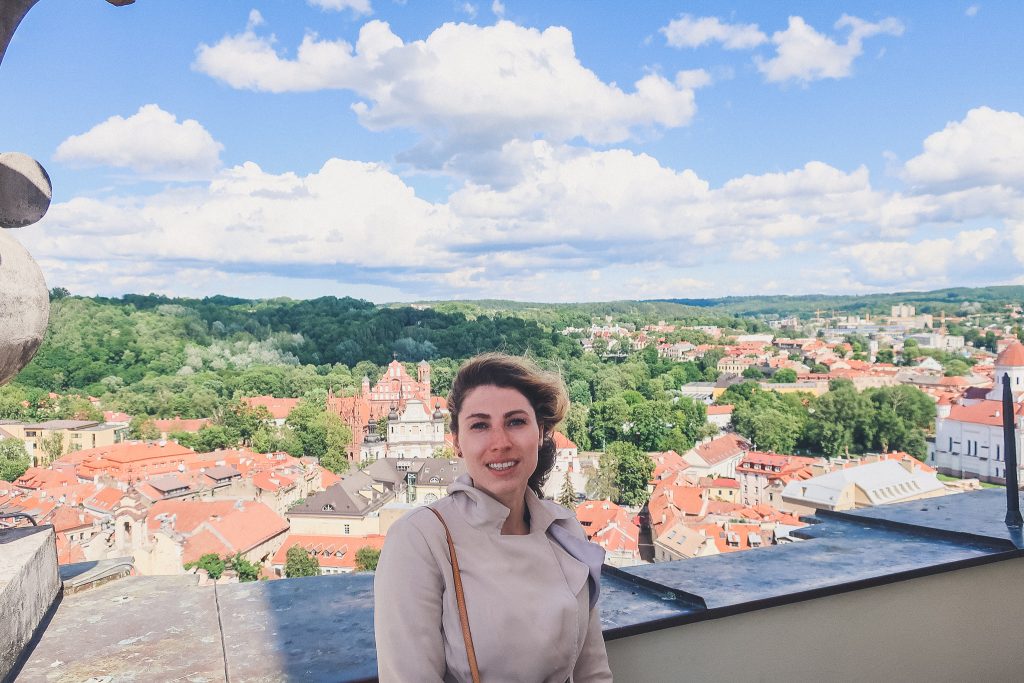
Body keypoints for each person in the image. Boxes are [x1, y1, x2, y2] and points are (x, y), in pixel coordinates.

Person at [374, 353, 613, 682]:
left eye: (516, 421)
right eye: (480, 425)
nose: (500, 443)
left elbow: (593, 671)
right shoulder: (421, 539)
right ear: (457, 442)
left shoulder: (564, 529)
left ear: (541, 431)